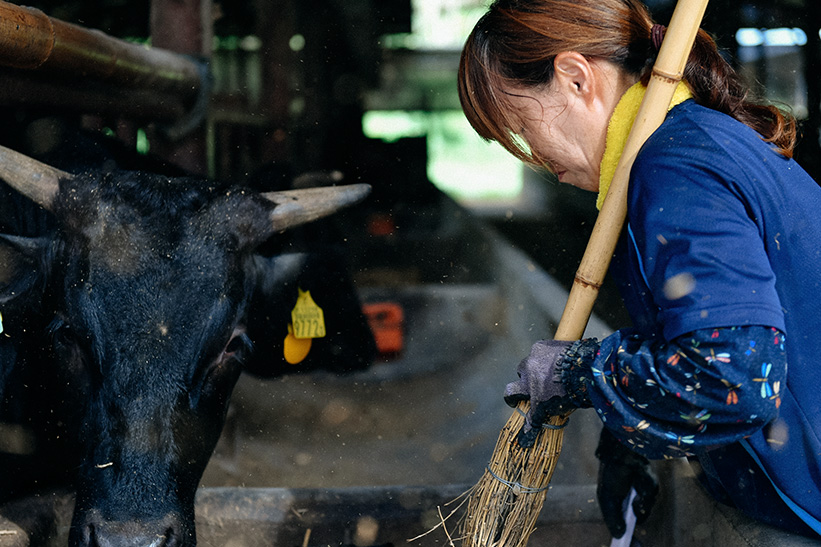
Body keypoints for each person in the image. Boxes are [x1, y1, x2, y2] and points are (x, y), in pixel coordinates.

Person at [457, 0, 821, 539]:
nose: (529, 154)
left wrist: (581, 373)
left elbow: (736, 376)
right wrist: (628, 433)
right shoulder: (693, 140)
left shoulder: (677, 166)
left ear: (575, 77)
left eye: (519, 126)